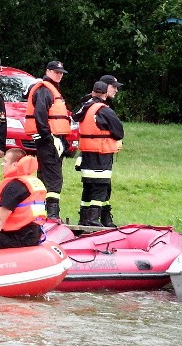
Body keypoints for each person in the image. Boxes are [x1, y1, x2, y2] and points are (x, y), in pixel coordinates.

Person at [72, 81, 124, 227]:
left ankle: (84, 218)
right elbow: (119, 131)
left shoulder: (85, 108)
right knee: (100, 187)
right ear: (105, 93)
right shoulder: (104, 110)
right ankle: (93, 219)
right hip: (101, 154)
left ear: (93, 92)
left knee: (88, 187)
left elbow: (74, 116)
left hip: (86, 154)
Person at [24, 60, 72, 220]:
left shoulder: (50, 89)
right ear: (48, 72)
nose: (59, 75)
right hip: (48, 138)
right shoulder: (45, 90)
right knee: (53, 176)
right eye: (56, 72)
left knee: (45, 175)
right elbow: (40, 115)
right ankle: (52, 214)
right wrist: (47, 138)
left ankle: (41, 211)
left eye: (61, 73)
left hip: (50, 137)